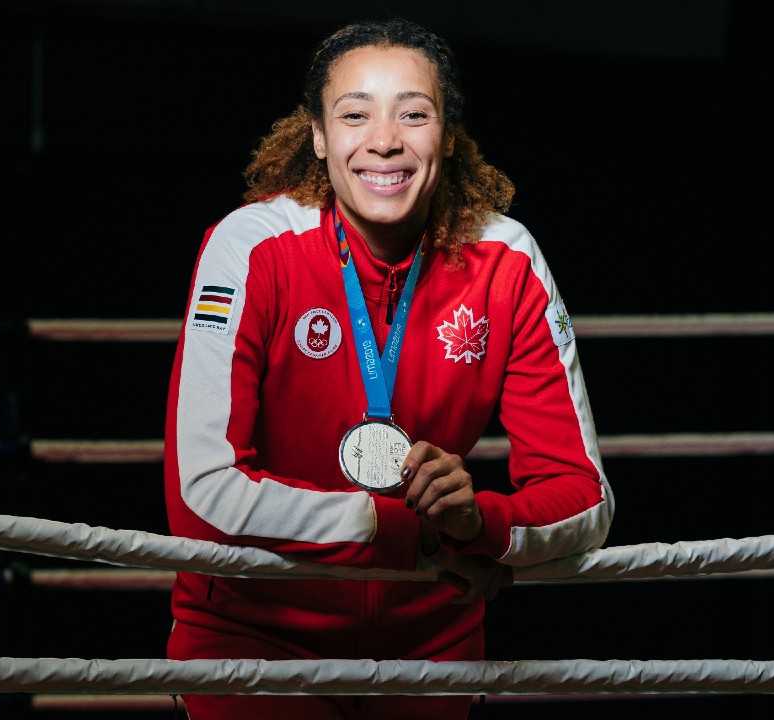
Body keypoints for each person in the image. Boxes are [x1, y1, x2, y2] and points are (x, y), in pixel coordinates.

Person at [163, 17, 613, 719]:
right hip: (256, 637)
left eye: (413, 113)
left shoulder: (507, 260)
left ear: (447, 135)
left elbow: (582, 498)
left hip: (430, 644)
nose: (384, 140)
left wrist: (479, 523)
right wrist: (409, 531)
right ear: (317, 134)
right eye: (354, 113)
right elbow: (201, 492)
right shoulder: (251, 246)